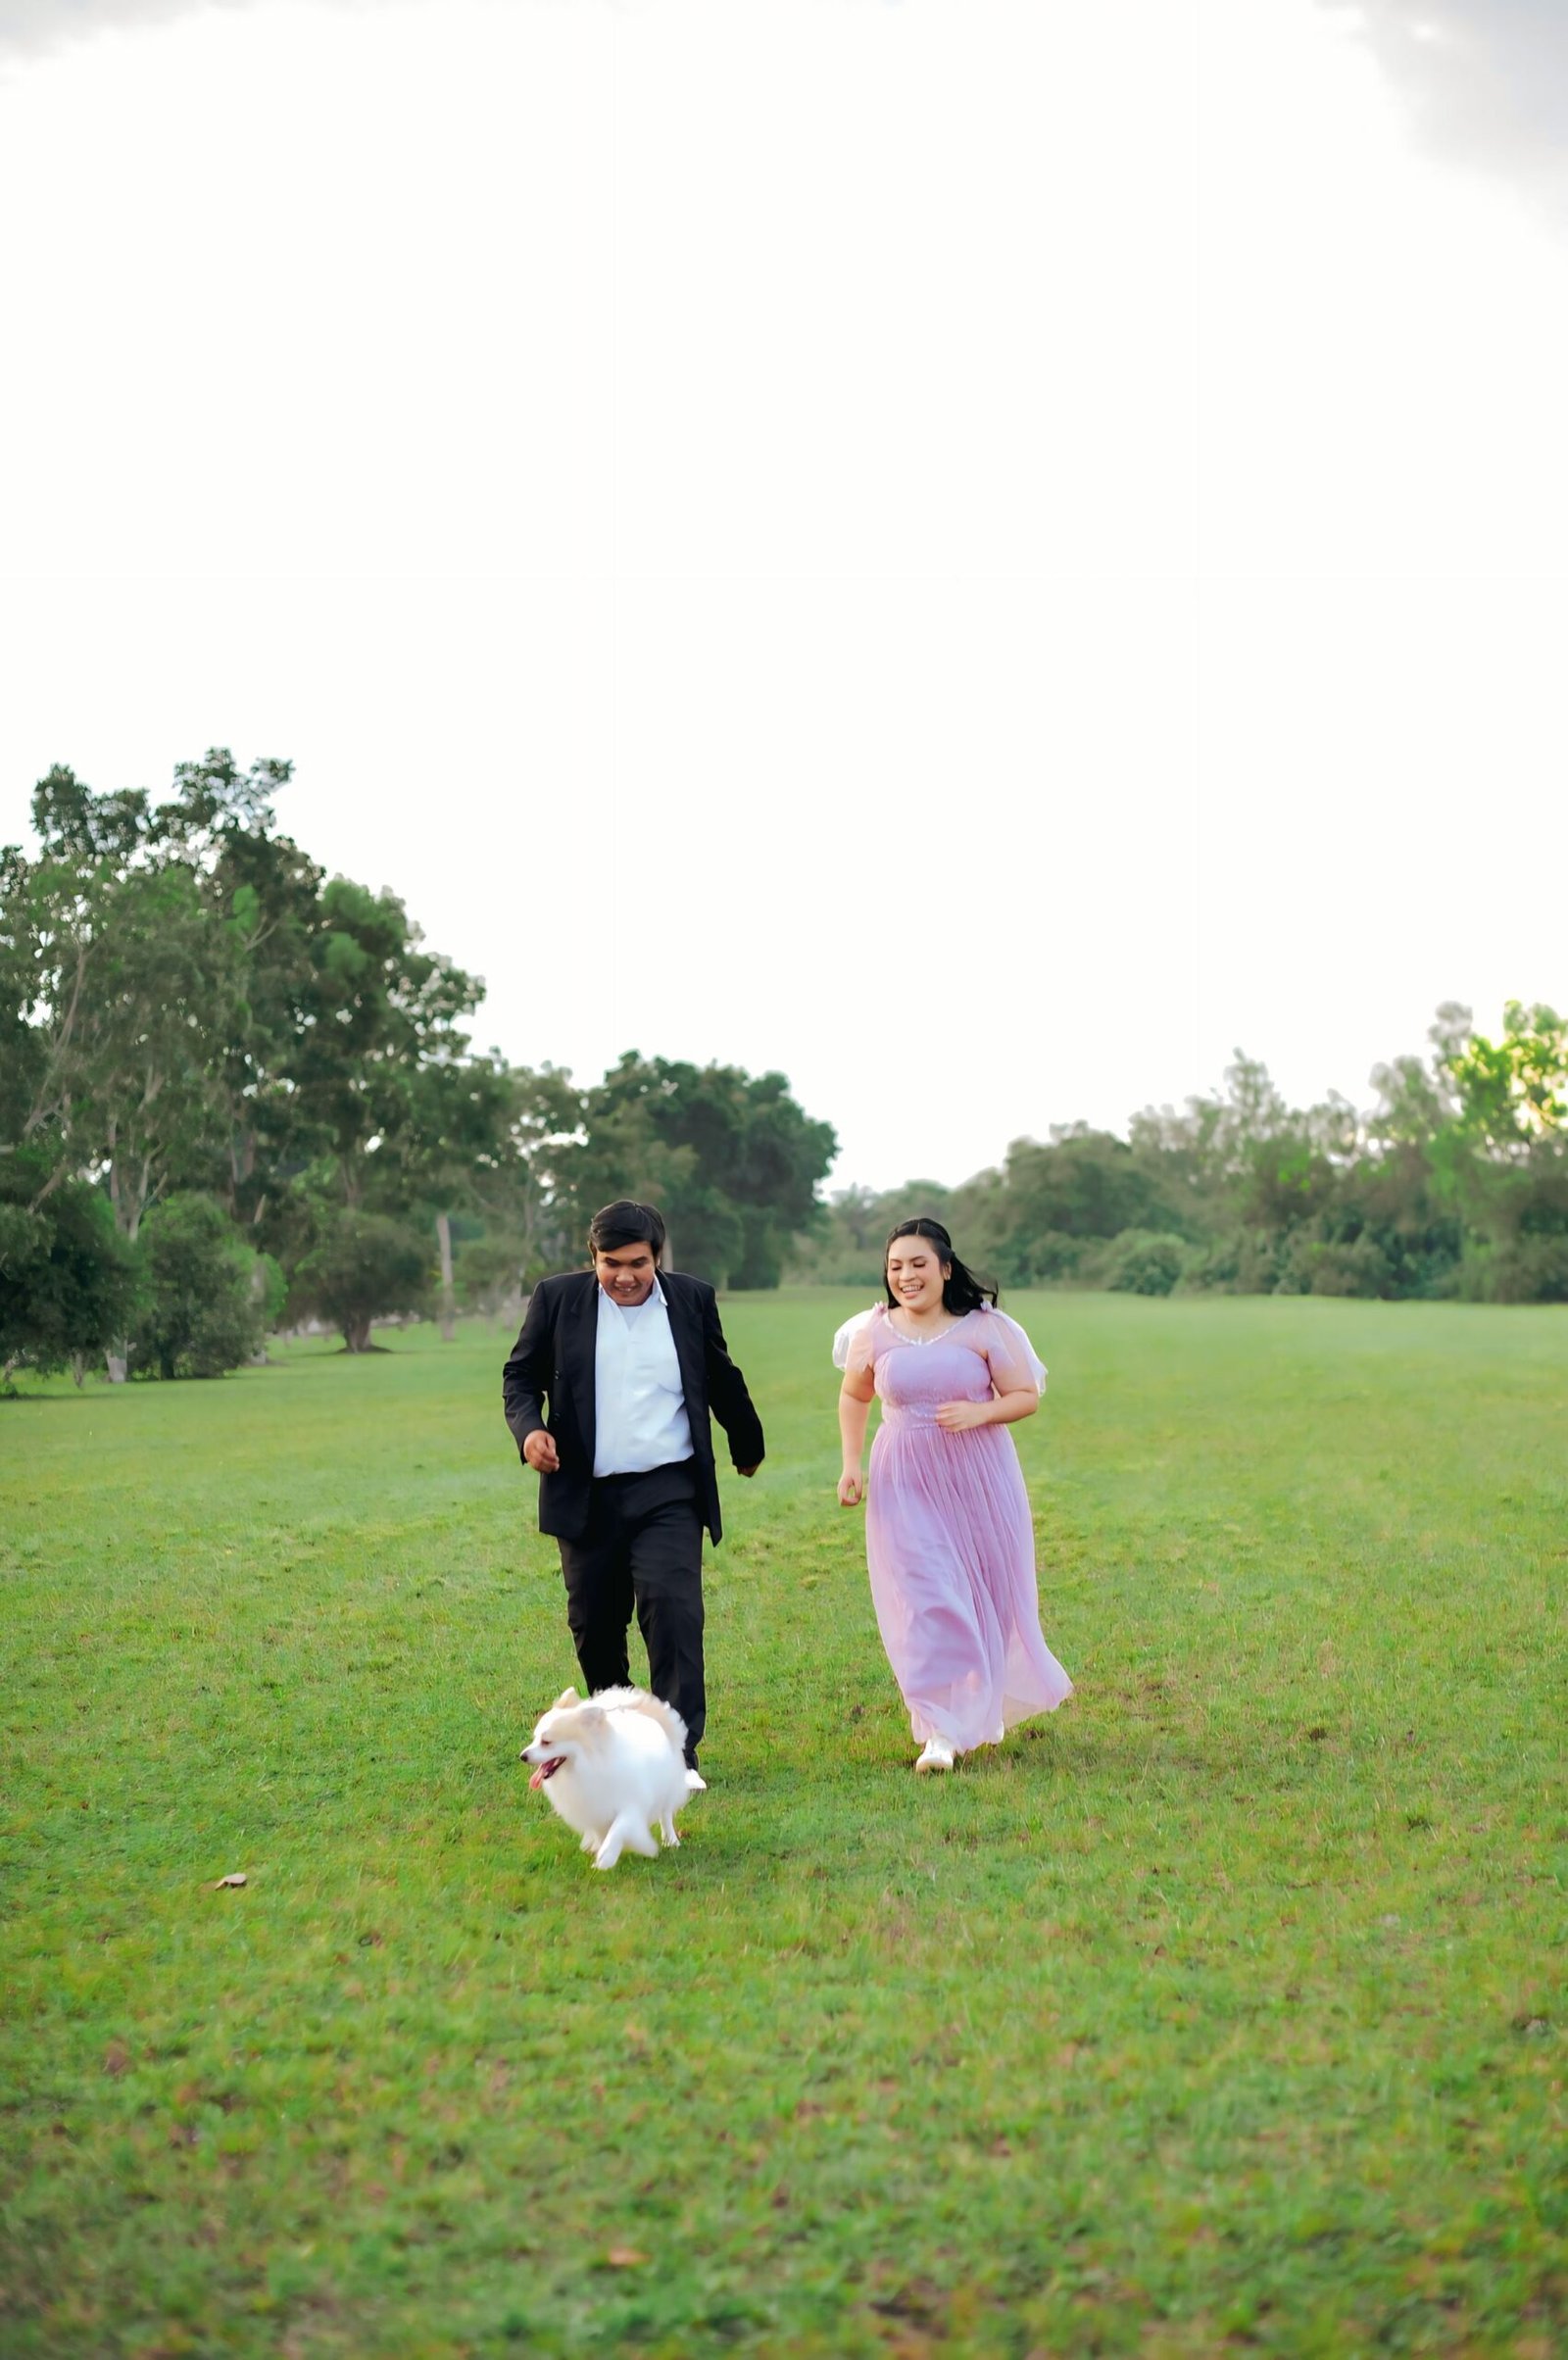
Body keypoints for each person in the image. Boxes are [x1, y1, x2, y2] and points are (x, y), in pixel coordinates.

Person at [503, 1200, 764, 1774]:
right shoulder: (557, 1300)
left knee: (673, 1613)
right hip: (585, 1493)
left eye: (638, 1263)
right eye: (611, 1263)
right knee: (595, 1627)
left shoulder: (691, 1300)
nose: (625, 1276)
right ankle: (620, 1740)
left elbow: (720, 1375)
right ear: (592, 1257)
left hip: (668, 1489)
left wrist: (747, 1444)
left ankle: (677, 1753)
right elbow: (520, 1376)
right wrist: (530, 1432)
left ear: (657, 1258)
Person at [835, 1216, 1072, 1771]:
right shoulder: (874, 1331)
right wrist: (850, 1464)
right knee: (928, 1598)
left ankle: (979, 1701)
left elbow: (1025, 1395)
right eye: (896, 1266)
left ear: (945, 1268)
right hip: (904, 1478)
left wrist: (980, 1412)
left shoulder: (984, 1328)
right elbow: (854, 1396)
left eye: (918, 1264)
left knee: (986, 1593)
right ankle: (940, 1730)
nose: (906, 1276)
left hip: (979, 1477)